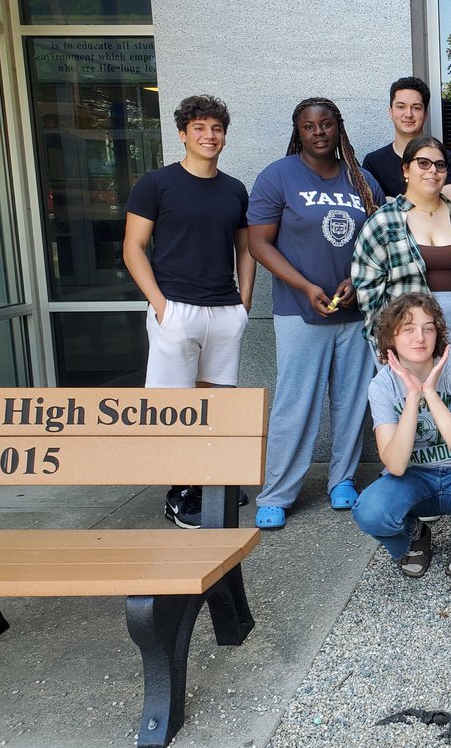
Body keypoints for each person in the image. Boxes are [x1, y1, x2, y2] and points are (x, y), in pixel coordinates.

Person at [247, 97, 384, 530]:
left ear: (338, 127)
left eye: (326, 124)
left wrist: (358, 281)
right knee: (295, 404)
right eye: (309, 126)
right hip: (299, 309)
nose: (319, 132)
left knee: (352, 402)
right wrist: (306, 287)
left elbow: (379, 241)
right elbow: (258, 244)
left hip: (354, 313)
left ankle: (342, 479)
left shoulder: (362, 179)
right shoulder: (278, 176)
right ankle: (276, 494)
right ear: (299, 131)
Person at [123, 95, 255, 529]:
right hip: (176, 307)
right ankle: (180, 492)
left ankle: (210, 484)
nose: (208, 136)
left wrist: (244, 302)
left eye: (216, 129)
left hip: (224, 309)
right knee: (175, 408)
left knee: (215, 402)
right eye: (199, 128)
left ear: (225, 136)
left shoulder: (234, 189)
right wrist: (161, 306)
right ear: (183, 133)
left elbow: (245, 250)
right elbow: (133, 248)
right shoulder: (156, 184)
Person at [352, 294, 451, 577]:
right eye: (408, 329)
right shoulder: (382, 385)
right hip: (412, 478)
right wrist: (413, 396)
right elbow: (395, 465)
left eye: (428, 328)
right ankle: (415, 535)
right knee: (370, 511)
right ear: (391, 337)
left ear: (438, 334)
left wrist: (431, 394)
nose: (420, 338)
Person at [351, 135, 451, 361]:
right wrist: (382, 339)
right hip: (405, 336)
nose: (432, 170)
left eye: (440, 165)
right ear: (406, 169)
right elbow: (367, 288)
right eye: (423, 163)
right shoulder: (384, 222)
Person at [361, 77, 451, 204]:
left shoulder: (444, 159)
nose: (408, 114)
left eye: (416, 108)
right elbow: (373, 206)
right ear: (390, 112)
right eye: (401, 107)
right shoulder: (373, 162)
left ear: (425, 114)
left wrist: (392, 201)